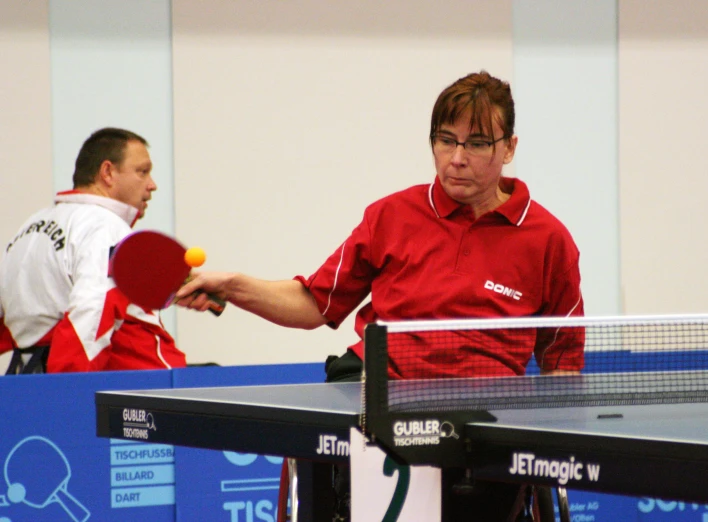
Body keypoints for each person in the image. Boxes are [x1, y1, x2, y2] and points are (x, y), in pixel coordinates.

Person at [176, 71, 584, 521]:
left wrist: (545, 442)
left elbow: (561, 363)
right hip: (381, 398)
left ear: (509, 147)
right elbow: (316, 303)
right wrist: (232, 286)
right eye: (445, 140)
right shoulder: (392, 215)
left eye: (478, 143)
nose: (456, 159)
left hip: (483, 420)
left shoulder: (548, 239)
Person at [0, 127, 186, 374]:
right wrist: (70, 390)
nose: (152, 185)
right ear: (107, 172)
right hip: (137, 392)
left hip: (30, 380)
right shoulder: (106, 227)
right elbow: (95, 307)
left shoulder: (29, 228)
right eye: (142, 172)